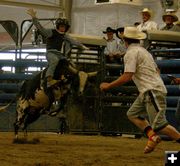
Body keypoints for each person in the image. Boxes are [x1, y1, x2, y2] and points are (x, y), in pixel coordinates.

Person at [100, 27, 180, 154]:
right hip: (149, 90)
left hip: (151, 90)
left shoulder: (131, 53)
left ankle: (161, 137)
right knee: (132, 114)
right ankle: (152, 137)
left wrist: (109, 86)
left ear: (125, 40)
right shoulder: (144, 52)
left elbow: (127, 75)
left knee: (160, 125)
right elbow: (157, 70)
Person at [27, 8, 88, 87]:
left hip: (60, 55)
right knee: (54, 60)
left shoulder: (65, 36)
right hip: (51, 53)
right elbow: (41, 29)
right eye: (61, 26)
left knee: (68, 63)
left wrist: (82, 46)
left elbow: (73, 41)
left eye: (64, 27)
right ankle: (49, 79)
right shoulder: (51, 32)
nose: (63, 28)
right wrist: (34, 19)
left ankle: (64, 78)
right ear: (58, 26)